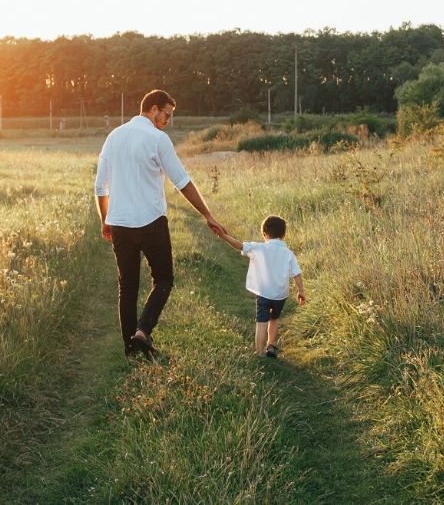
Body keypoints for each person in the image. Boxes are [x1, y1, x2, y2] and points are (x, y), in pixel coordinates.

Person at [95, 89, 225, 358]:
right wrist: (207, 214)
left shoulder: (114, 136)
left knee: (127, 286)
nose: (168, 120)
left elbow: (100, 186)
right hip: (151, 223)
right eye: (167, 114)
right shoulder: (157, 138)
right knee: (164, 279)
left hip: (119, 223)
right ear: (154, 109)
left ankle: (130, 350)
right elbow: (182, 182)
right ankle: (143, 331)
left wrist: (104, 220)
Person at [216, 215, 306, 357]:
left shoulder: (259, 248)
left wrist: (224, 235)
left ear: (264, 234)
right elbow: (297, 274)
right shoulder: (289, 254)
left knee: (261, 322)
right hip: (280, 295)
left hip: (263, 293)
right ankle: (271, 345)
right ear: (284, 234)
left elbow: (239, 245)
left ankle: (259, 352)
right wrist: (301, 292)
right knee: (274, 318)